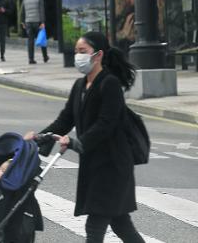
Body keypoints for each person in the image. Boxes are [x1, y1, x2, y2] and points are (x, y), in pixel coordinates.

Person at [24, 31, 144, 243]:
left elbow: (106, 124)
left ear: (97, 55)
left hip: (113, 164)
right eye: (76, 51)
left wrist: (77, 142)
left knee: (95, 226)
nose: (78, 56)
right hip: (95, 163)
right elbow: (65, 120)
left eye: (82, 51)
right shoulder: (80, 86)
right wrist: (40, 137)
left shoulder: (110, 84)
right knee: (121, 224)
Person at [21, 0, 49, 64]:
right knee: (42, 38)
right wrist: (43, 22)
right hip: (37, 22)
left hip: (28, 23)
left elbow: (22, 12)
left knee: (30, 41)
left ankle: (31, 59)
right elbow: (41, 11)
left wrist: (23, 22)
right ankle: (45, 57)